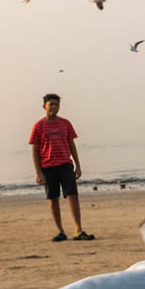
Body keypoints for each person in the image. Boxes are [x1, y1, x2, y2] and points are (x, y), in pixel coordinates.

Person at [29, 93, 94, 242]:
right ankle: (61, 231)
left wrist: (78, 166)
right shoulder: (38, 126)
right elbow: (35, 150)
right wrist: (38, 172)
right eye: (50, 104)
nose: (53, 107)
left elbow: (72, 144)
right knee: (53, 198)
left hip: (65, 165)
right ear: (44, 106)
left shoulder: (65, 123)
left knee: (72, 195)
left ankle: (78, 230)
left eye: (56, 104)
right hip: (48, 167)